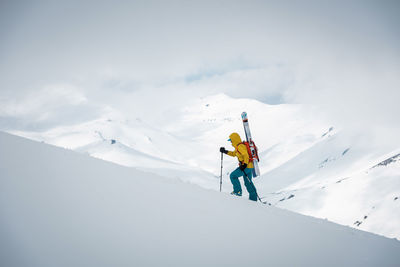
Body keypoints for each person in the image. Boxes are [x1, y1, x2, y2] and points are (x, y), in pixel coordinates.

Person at [220, 132, 257, 201]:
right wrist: (225, 151)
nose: (230, 142)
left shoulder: (240, 146)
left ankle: (238, 191)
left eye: (231, 140)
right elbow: (234, 154)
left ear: (234, 139)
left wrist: (244, 164)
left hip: (246, 166)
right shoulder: (239, 146)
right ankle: (253, 199)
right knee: (248, 182)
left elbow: (246, 155)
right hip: (249, 166)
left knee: (233, 176)